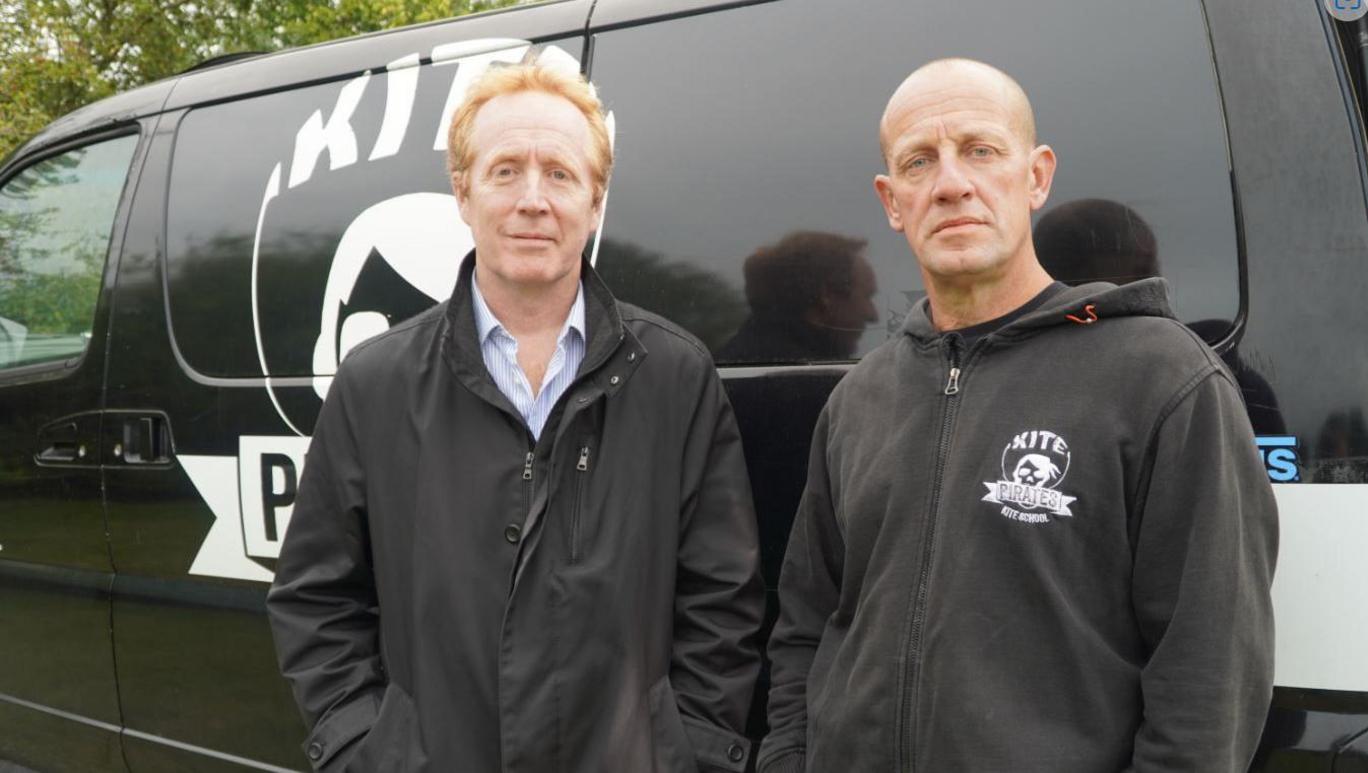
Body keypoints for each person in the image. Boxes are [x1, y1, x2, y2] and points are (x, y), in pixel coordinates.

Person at [757, 58, 1278, 773]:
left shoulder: (1163, 380)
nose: (950, 183)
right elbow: (804, 628)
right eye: (919, 162)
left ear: (1036, 176)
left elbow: (1208, 679)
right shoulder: (859, 398)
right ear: (892, 199)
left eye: (980, 149)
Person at [267, 61, 763, 773]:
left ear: (595, 202)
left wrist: (690, 753)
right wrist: (368, 750)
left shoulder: (676, 377)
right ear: (463, 193)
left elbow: (723, 600)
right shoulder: (374, 383)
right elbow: (315, 600)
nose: (534, 199)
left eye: (560, 174)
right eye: (505, 171)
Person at [715, 231, 879, 363]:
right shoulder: (812, 385)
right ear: (827, 296)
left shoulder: (730, 365)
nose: (873, 315)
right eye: (867, 297)